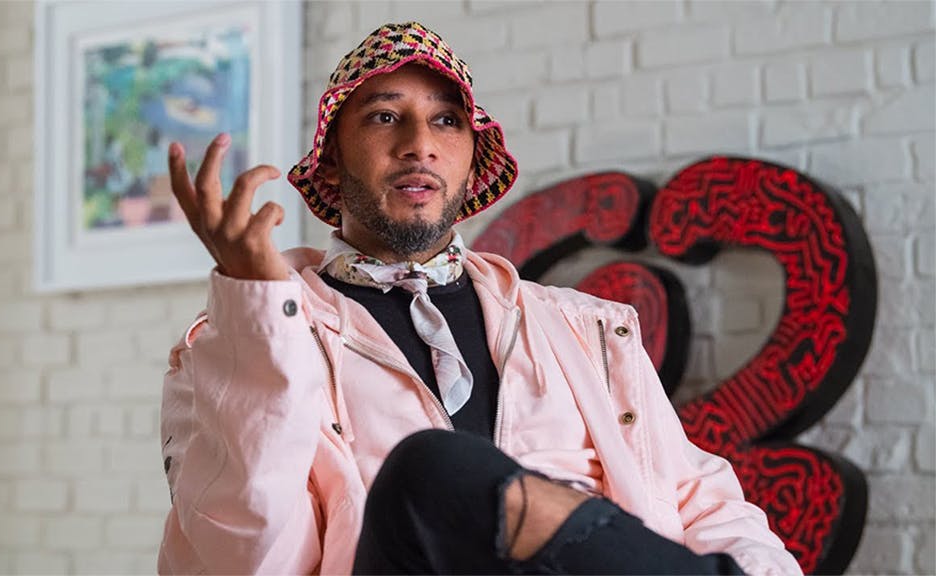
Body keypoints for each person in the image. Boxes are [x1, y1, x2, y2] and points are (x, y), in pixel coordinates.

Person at [157, 21, 802, 575]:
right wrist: (258, 309)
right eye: (384, 116)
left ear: (470, 161)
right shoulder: (234, 346)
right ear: (330, 161)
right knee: (429, 473)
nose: (420, 143)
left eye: (446, 119)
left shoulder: (586, 332)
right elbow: (244, 555)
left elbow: (707, 504)